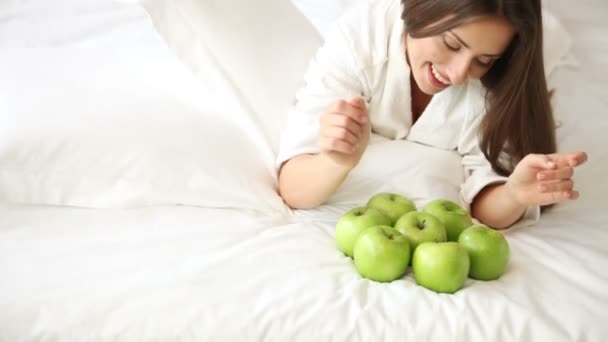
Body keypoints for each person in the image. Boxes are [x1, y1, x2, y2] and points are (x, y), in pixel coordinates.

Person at [276, 0, 587, 229]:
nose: (459, 73)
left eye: (484, 60)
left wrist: (514, 194)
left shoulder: (500, 77)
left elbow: (485, 205)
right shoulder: (359, 40)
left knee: (553, 39)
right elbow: (294, 188)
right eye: (451, 44)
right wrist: (335, 161)